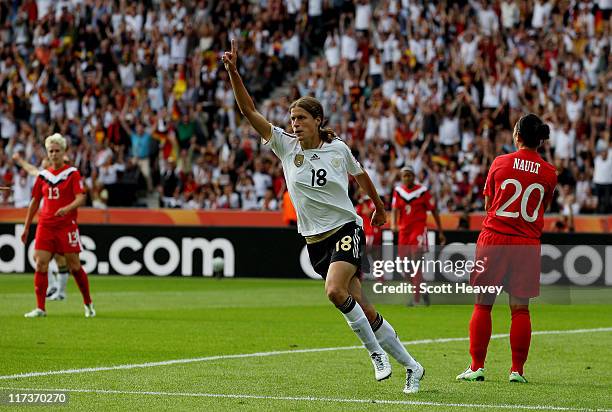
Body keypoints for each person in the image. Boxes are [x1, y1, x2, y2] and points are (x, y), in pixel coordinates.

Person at [222, 39, 424, 394]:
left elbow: (361, 176)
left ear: (318, 120)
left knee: (334, 291)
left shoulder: (338, 149)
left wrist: (378, 207)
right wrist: (234, 73)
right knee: (362, 305)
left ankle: (375, 354)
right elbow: (249, 112)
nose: (295, 124)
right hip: (314, 240)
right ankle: (412, 366)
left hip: (346, 229)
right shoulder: (285, 146)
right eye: (292, 119)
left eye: (301, 118)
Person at [456, 114, 557, 383]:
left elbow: (490, 205)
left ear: (518, 136)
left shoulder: (500, 163)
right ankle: (517, 371)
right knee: (521, 309)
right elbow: (541, 207)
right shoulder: (549, 172)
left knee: (483, 305)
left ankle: (477, 366)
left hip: (495, 239)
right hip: (526, 243)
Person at [21, 134, 96, 318]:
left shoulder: (72, 173)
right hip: (45, 224)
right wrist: (26, 226)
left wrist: (67, 208)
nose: (54, 154)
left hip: (66, 226)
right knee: (40, 264)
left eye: (57, 151)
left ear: (64, 152)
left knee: (75, 266)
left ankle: (88, 304)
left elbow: (81, 197)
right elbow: (35, 201)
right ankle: (40, 308)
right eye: (51, 151)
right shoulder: (43, 176)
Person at [13, 152, 71, 301]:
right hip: (48, 221)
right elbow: (31, 169)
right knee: (41, 257)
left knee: (59, 258)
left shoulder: (63, 175)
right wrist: (20, 160)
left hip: (60, 221)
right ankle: (55, 288)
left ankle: (60, 291)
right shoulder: (43, 176)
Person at [391, 165, 445, 306]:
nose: (407, 178)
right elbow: (395, 209)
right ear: (401, 177)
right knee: (403, 267)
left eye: (409, 175)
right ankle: (423, 289)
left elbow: (434, 211)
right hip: (404, 231)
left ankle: (416, 300)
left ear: (414, 177)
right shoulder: (398, 191)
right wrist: (393, 224)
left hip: (418, 230)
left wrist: (440, 231)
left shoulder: (422, 191)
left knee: (416, 264)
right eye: (404, 175)